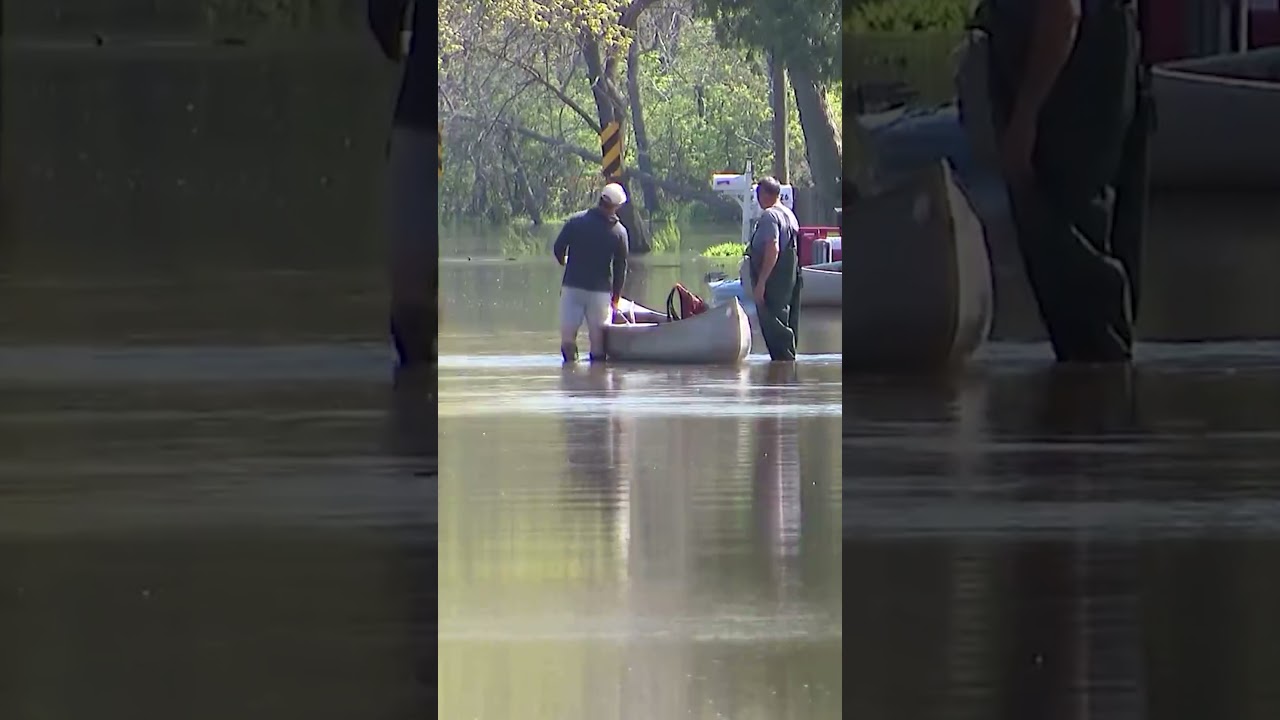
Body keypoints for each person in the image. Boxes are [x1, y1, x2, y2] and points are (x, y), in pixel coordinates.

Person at [964, 0, 1153, 363]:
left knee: (1068, 253)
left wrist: (1025, 116)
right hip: (1096, 60)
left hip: (1068, 75)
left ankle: (1098, 386)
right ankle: (1111, 388)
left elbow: (1062, 11)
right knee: (1096, 269)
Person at [368, 0, 434, 368]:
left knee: (412, 317)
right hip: (427, 119)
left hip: (420, 111)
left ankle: (413, 388)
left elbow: (382, 18)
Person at [553, 183, 630, 363]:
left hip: (572, 287)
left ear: (600, 199)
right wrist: (616, 297)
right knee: (598, 345)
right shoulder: (619, 232)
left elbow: (558, 248)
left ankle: (570, 373)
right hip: (600, 293)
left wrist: (565, 262)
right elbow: (620, 268)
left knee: (567, 340)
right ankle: (597, 376)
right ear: (616, 206)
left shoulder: (575, 222)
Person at [745, 177, 802, 362]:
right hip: (790, 278)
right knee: (786, 321)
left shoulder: (769, 216)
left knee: (773, 323)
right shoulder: (790, 215)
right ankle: (788, 370)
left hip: (774, 280)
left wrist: (761, 283)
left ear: (763, 195)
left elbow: (773, 248)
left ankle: (783, 367)